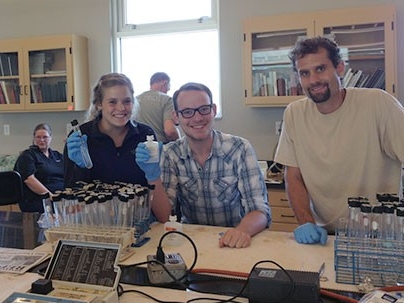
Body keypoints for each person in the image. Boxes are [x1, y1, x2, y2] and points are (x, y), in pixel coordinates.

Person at [274, 36, 404, 245]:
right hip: (325, 237)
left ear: (340, 68)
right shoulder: (294, 114)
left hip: (379, 238)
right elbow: (294, 177)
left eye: (320, 69)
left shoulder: (378, 103)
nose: (313, 80)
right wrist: (306, 222)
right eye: (304, 73)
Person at [137, 82, 271, 248]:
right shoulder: (171, 154)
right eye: (187, 112)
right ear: (176, 117)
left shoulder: (240, 149)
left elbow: (259, 210)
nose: (198, 117)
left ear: (213, 110)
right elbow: (165, 216)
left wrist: (241, 232)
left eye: (204, 109)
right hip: (193, 244)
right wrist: (153, 177)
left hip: (238, 241)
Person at [64, 72, 171, 223]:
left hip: (139, 223)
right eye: (112, 102)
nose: (121, 108)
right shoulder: (80, 138)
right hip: (95, 224)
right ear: (99, 104)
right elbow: (70, 204)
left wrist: (153, 175)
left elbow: (161, 212)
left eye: (127, 101)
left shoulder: (144, 134)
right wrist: (80, 168)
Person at [14, 123, 64, 213]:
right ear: (34, 138)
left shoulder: (58, 156)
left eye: (45, 137)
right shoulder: (28, 155)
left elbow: (69, 175)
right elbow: (29, 180)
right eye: (38, 137)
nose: (41, 140)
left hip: (61, 198)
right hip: (39, 199)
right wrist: (51, 196)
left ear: (50, 138)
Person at [136, 72, 180, 143]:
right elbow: (170, 131)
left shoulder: (135, 100)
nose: (168, 90)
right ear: (165, 83)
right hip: (160, 149)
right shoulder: (167, 100)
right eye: (168, 87)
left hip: (138, 148)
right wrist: (180, 144)